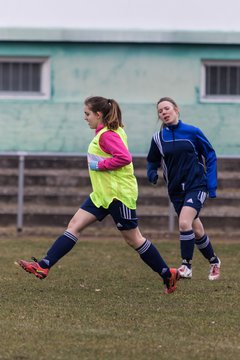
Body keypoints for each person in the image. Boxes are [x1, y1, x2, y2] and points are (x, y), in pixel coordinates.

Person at [17, 96, 179, 294]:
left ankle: (167, 273)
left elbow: (125, 158)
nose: (85, 118)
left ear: (98, 114)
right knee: (74, 225)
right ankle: (44, 265)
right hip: (101, 195)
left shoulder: (107, 135)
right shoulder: (106, 132)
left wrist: (100, 165)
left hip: (117, 196)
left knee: (134, 239)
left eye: (87, 114)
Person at [147, 96, 221, 280]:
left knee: (183, 223)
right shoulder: (158, 138)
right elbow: (152, 159)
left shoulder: (192, 132)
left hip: (196, 185)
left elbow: (210, 155)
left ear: (176, 109)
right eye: (160, 111)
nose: (164, 112)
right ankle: (214, 261)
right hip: (175, 190)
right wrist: (151, 172)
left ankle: (186, 265)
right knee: (196, 230)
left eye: (167, 108)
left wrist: (211, 185)